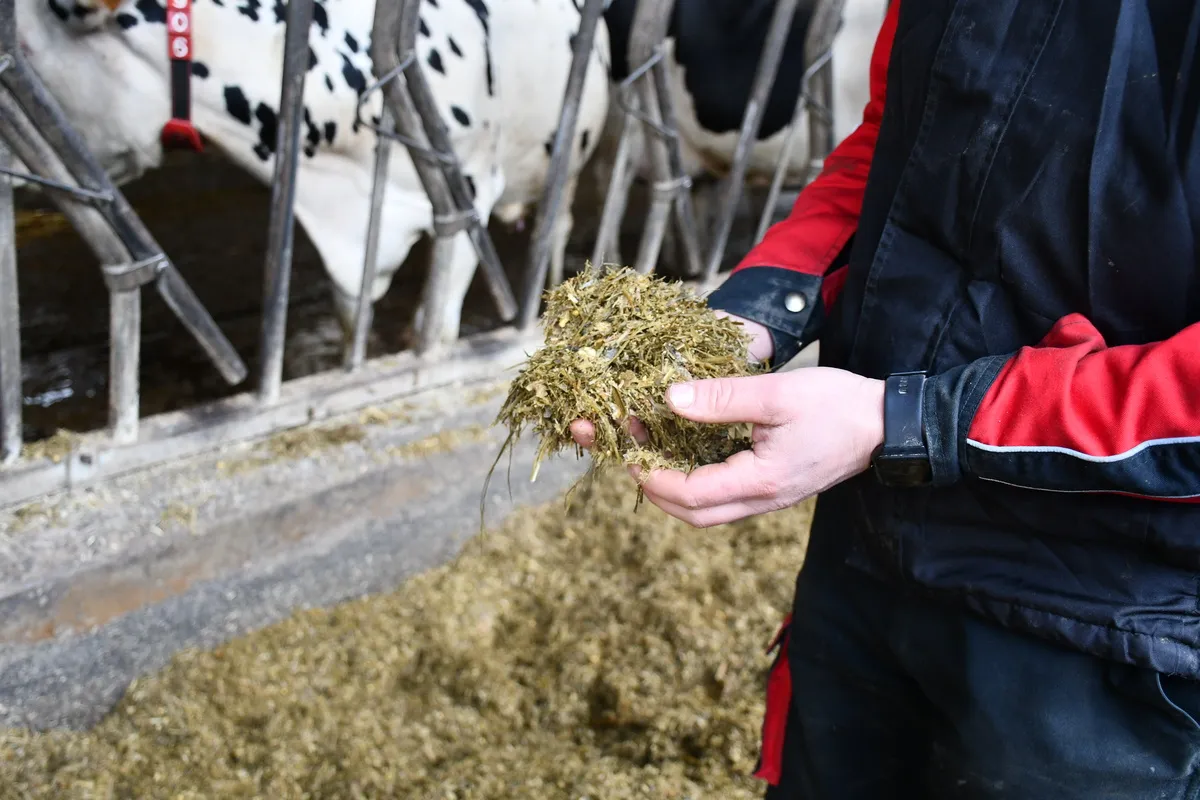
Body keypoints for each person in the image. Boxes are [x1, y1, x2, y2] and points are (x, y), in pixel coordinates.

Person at [568, 0, 1200, 797]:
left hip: (1109, 621)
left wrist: (905, 421)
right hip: (871, 539)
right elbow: (896, 146)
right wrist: (752, 319)